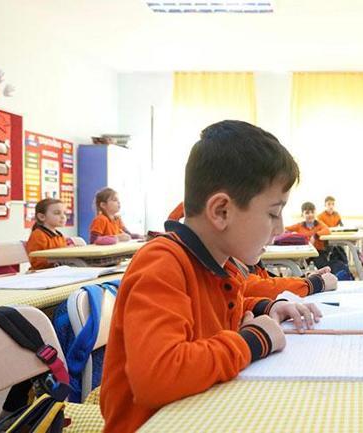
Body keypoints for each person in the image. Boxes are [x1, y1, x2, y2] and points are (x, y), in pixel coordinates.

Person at [100, 120, 322, 432]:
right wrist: (253, 341)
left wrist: (266, 307)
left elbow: (210, 311)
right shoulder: (161, 264)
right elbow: (158, 376)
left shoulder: (220, 263)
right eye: (273, 213)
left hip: (203, 415)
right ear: (220, 211)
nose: (280, 228)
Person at [26, 198, 69, 270]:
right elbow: (37, 261)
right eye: (57, 213)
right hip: (42, 273)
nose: (63, 216)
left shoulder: (59, 235)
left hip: (58, 270)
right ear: (42, 217)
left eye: (65, 213)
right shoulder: (38, 235)